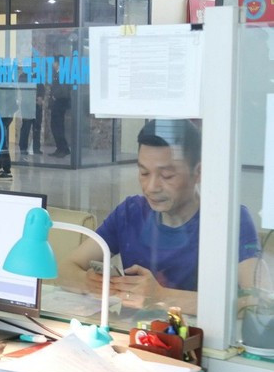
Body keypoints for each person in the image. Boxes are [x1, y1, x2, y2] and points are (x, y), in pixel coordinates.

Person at [59, 119, 260, 315]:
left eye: (167, 176)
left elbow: (253, 302)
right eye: (144, 173)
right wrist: (90, 282)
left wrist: (161, 297)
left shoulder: (229, 221)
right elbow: (66, 268)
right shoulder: (130, 213)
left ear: (198, 172)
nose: (151, 187)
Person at [48, 57, 71, 158]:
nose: (53, 64)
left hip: (60, 103)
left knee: (57, 126)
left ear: (57, 63)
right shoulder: (57, 73)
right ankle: (62, 148)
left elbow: (64, 89)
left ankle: (62, 149)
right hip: (57, 103)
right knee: (57, 126)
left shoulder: (63, 73)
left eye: (54, 62)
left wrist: (54, 96)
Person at [19, 82, 45, 156]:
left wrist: (40, 97)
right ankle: (23, 148)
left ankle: (36, 148)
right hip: (27, 105)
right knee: (26, 127)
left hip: (36, 105)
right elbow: (24, 90)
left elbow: (41, 89)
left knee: (36, 127)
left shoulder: (38, 76)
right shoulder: (24, 77)